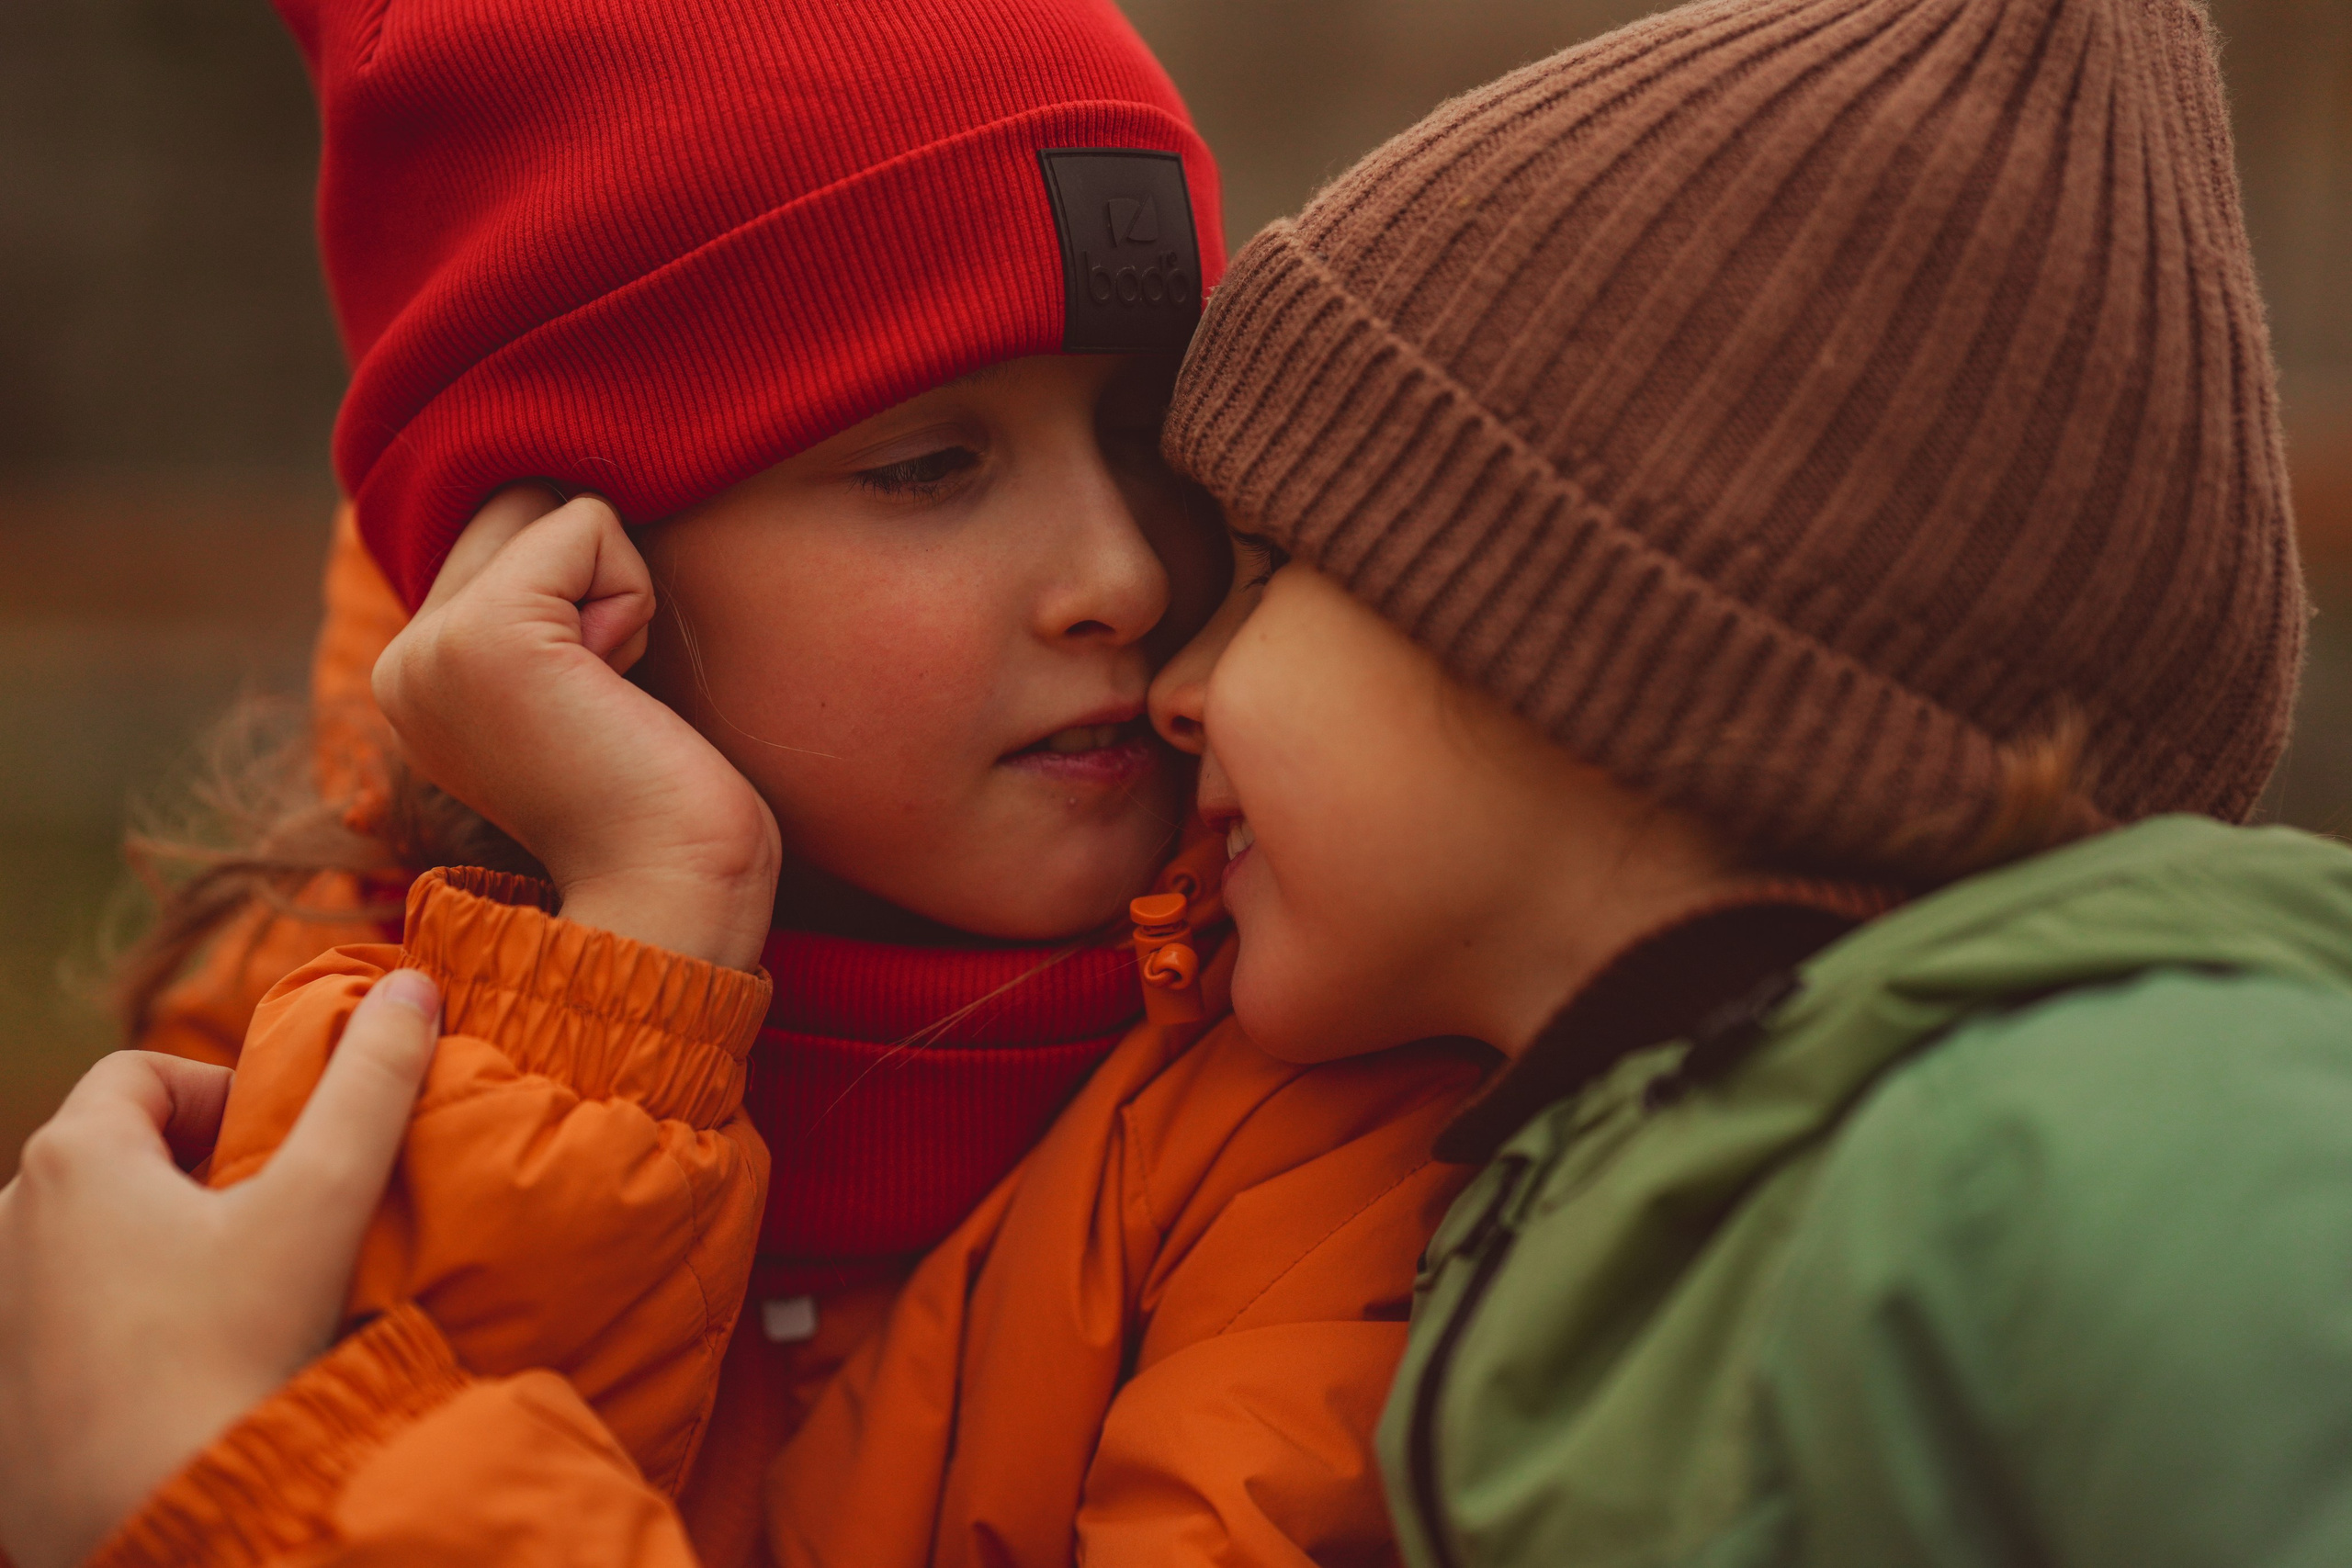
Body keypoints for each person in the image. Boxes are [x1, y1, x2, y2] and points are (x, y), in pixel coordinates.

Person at [0, 0, 1478, 1562]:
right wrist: (637, 957)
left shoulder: (1321, 1073)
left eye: (1143, 432)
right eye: (930, 466)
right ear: (575, 562)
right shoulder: (296, 1045)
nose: (1122, 574)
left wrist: (265, 1485)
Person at [1146, 0, 2349, 1562]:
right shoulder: (1614, 1183)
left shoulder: (2108, 1133)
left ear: (1574, 616)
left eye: (1267, 568)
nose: (1174, 692)